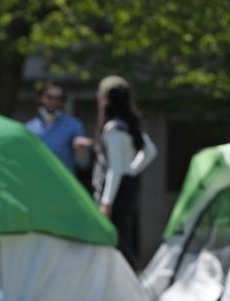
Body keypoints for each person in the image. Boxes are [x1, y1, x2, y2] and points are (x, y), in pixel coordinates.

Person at [92, 75, 157, 265]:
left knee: (116, 241)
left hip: (115, 192)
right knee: (125, 237)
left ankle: (123, 286)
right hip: (127, 188)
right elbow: (151, 151)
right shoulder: (128, 125)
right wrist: (133, 170)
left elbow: (114, 169)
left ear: (104, 99)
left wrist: (106, 202)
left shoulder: (113, 128)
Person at [24, 81, 93, 173]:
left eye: (58, 98)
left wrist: (81, 149)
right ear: (41, 98)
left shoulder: (74, 125)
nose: (54, 101)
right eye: (49, 97)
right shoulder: (28, 127)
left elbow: (83, 164)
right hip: (36, 179)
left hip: (63, 181)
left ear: (63, 101)